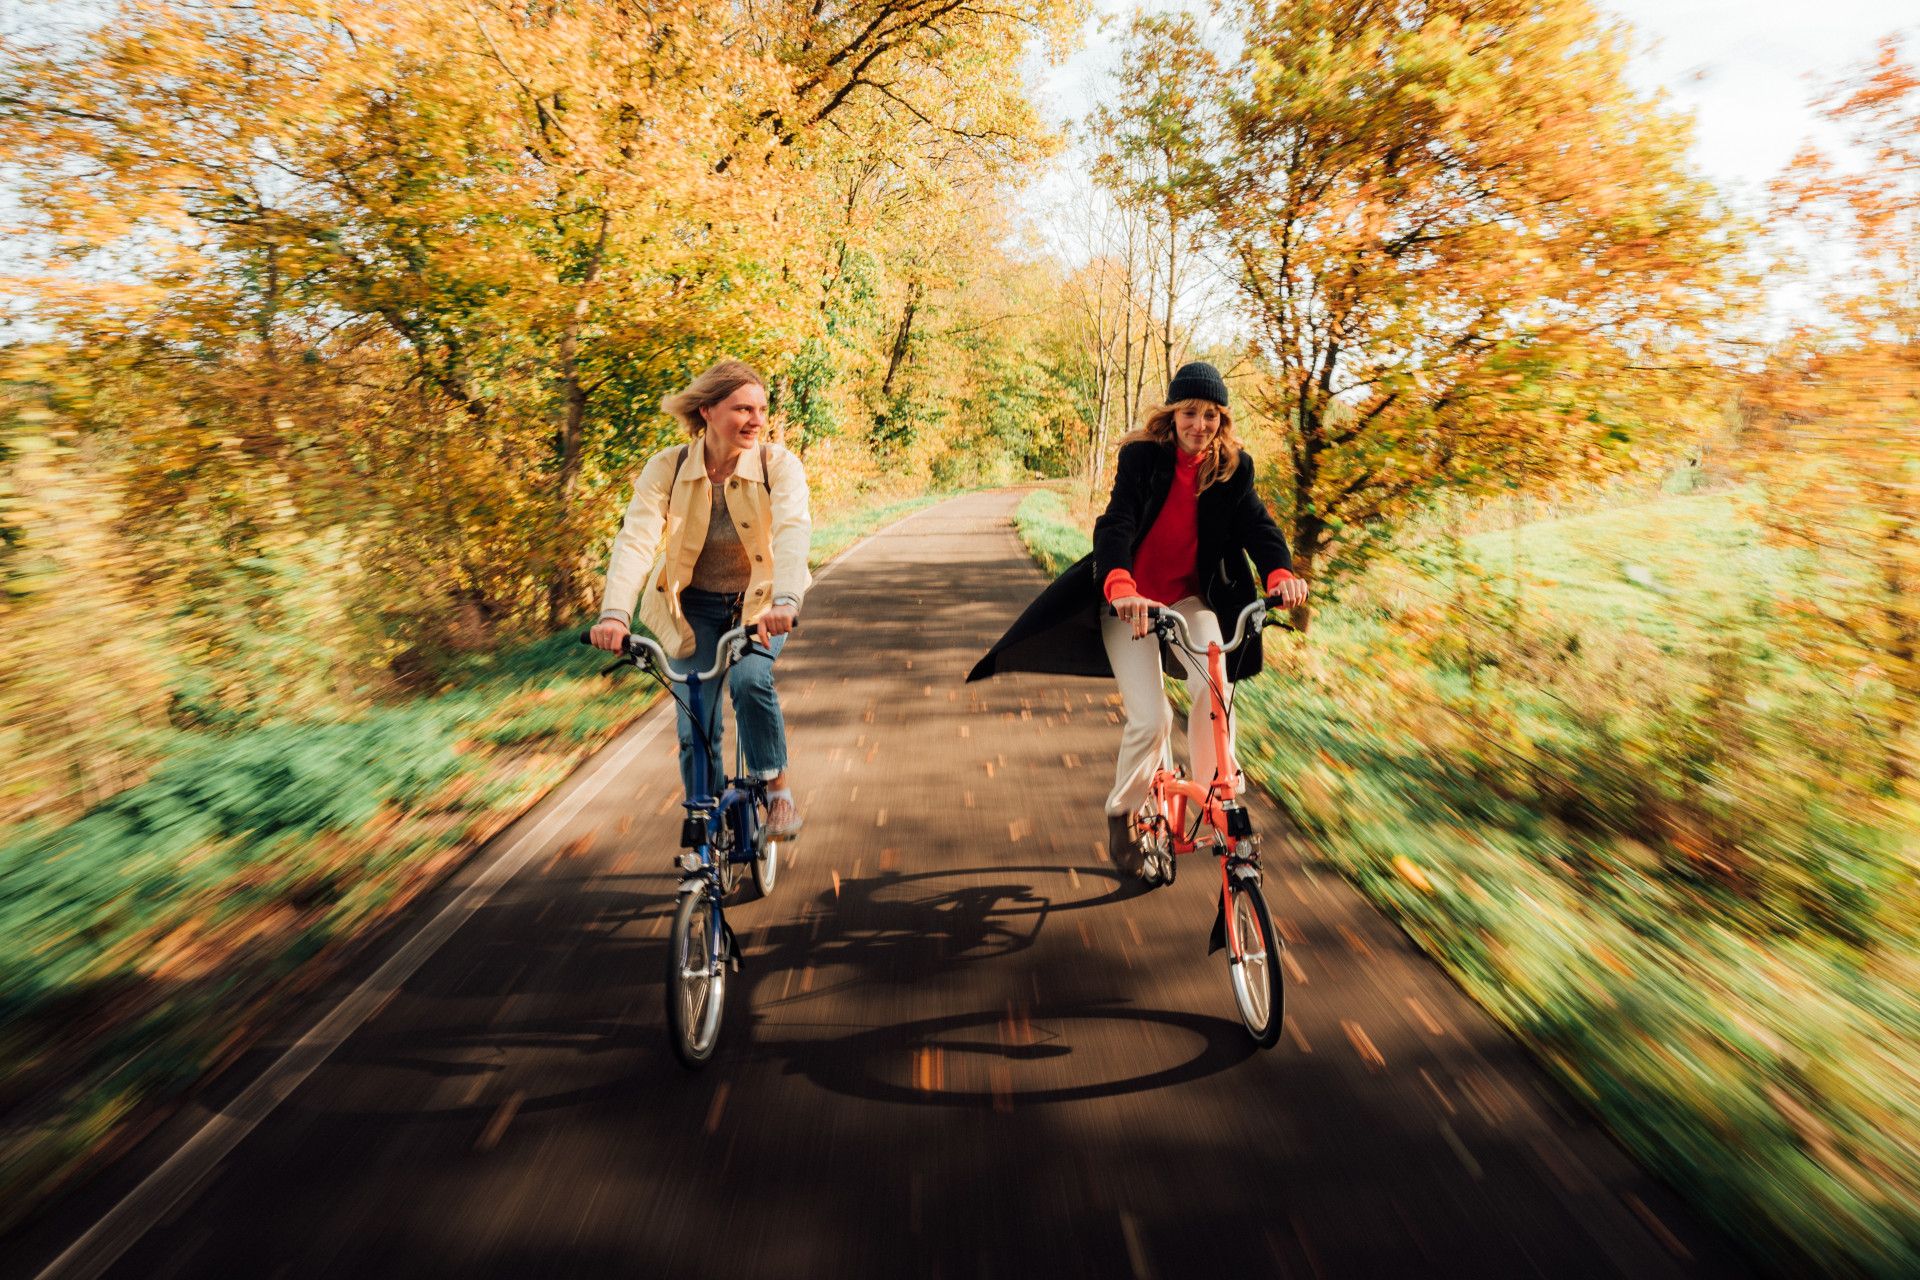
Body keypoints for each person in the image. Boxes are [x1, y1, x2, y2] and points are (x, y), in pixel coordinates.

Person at [967, 361, 1309, 878]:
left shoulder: (1233, 468)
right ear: (1172, 415)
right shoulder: (1143, 459)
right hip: (1133, 604)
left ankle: (1216, 791)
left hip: (1191, 600)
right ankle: (1122, 810)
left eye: (1211, 415)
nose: (1200, 425)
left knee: (1213, 685)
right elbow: (1118, 521)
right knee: (1152, 721)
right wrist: (1121, 585)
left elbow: (1257, 525)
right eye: (1190, 413)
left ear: (1223, 420)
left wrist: (1280, 572)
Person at [589, 359, 812, 838]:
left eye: (761, 409)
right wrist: (614, 613)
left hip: (760, 606)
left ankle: (778, 793)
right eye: (742, 408)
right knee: (695, 723)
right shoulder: (667, 468)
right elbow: (636, 539)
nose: (756, 420)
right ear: (707, 410)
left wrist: (786, 601)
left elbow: (794, 530)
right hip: (693, 609)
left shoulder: (779, 465)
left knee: (751, 682)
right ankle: (705, 811)